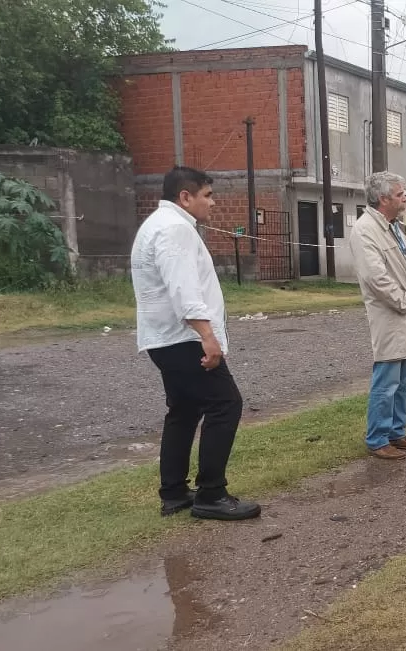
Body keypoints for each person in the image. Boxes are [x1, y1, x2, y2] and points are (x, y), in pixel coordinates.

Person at [131, 166, 260, 520]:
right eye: (207, 195)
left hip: (166, 338)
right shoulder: (174, 229)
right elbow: (182, 288)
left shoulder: (157, 224)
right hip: (184, 338)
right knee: (226, 403)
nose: (213, 203)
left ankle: (173, 492)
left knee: (184, 409)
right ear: (184, 197)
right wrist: (207, 335)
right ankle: (211, 494)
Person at [351, 171, 406, 461]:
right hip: (390, 315)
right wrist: (405, 301)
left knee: (403, 380)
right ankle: (377, 439)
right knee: (386, 382)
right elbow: (376, 277)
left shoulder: (393, 226)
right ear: (383, 198)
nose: (405, 198)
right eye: (400, 194)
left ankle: (397, 432)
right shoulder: (364, 230)